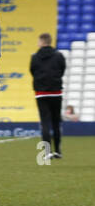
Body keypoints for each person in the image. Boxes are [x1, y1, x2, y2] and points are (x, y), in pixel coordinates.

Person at [31, 32, 66, 160]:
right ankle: (58, 151)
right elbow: (62, 70)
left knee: (45, 122)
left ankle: (47, 153)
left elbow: (32, 71)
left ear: (42, 42)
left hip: (41, 93)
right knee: (56, 122)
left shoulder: (35, 57)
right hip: (56, 91)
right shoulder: (59, 55)